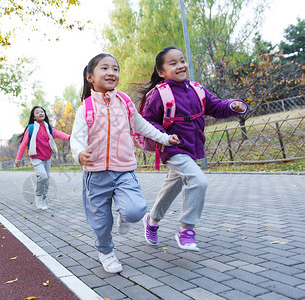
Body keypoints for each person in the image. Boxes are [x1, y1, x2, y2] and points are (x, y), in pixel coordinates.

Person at [70, 53, 179, 273]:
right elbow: (77, 137)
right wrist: (80, 153)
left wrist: (165, 138)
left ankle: (124, 214)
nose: (111, 73)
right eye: (105, 68)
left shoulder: (124, 102)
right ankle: (106, 251)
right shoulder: (86, 108)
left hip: (123, 170)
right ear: (90, 77)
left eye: (115, 69)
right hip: (96, 174)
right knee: (101, 222)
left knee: (135, 211)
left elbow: (142, 126)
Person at [140, 46, 248, 252]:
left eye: (182, 61)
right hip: (172, 147)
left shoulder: (197, 89)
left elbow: (216, 106)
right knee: (198, 181)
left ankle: (152, 220)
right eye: (173, 63)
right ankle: (186, 230)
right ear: (161, 72)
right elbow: (147, 121)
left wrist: (233, 105)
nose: (180, 65)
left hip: (193, 146)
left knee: (173, 185)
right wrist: (164, 136)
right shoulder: (159, 95)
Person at [15, 106, 70, 210]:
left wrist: (69, 137)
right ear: (34, 117)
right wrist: (18, 158)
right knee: (43, 176)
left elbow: (58, 133)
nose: (40, 113)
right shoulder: (31, 128)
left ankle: (43, 198)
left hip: (46, 157)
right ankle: (39, 197)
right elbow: (23, 144)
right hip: (36, 157)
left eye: (42, 111)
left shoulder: (47, 127)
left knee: (46, 180)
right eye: (37, 112)